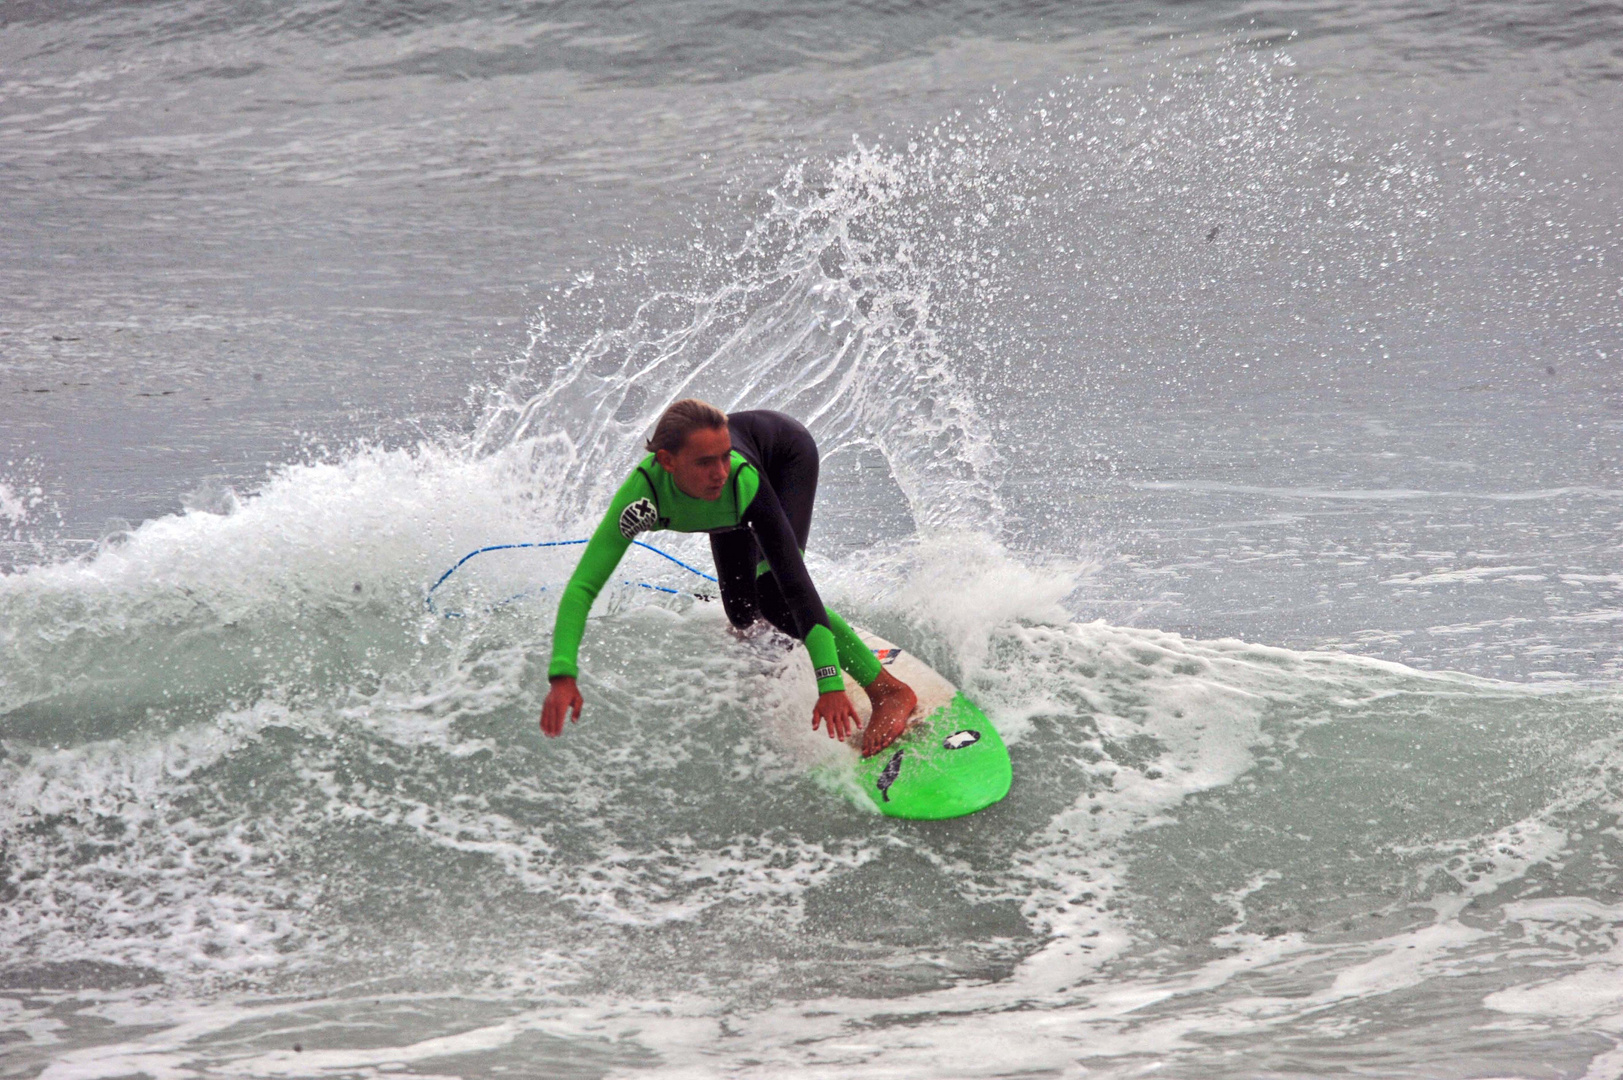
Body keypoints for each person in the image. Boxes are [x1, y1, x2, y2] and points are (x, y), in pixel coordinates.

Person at [538, 399, 917, 756]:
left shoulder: (738, 480)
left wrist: (829, 683)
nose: (720, 471)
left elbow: (797, 588)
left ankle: (888, 691)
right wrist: (562, 674)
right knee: (740, 614)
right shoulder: (643, 499)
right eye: (705, 462)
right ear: (667, 461)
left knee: (774, 598)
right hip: (724, 503)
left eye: (723, 457)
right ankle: (787, 640)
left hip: (784, 457)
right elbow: (583, 587)